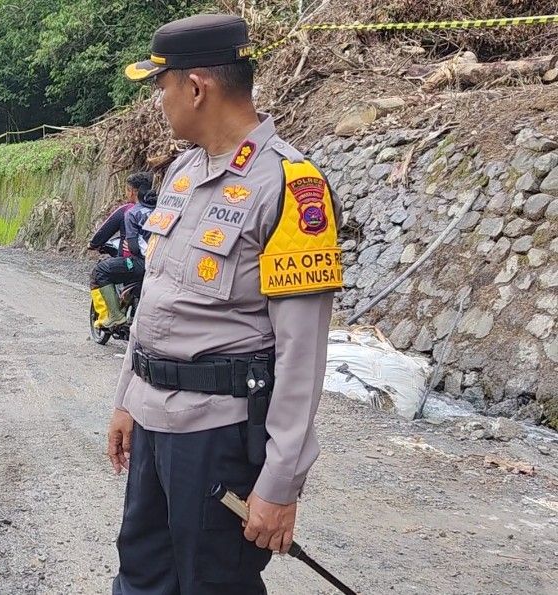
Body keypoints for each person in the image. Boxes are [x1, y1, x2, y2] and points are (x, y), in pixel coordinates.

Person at [108, 14, 343, 594]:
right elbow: (159, 296)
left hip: (218, 438)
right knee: (141, 576)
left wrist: (279, 482)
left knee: (213, 585)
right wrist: (126, 401)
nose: (159, 103)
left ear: (196, 88)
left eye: (162, 88)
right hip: (154, 423)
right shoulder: (185, 172)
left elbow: (302, 351)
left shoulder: (291, 186)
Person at [88, 172, 157, 329]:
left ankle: (114, 315)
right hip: (162, 262)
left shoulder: (129, 211)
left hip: (139, 262)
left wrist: (93, 244)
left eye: (127, 190)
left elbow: (104, 234)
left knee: (101, 270)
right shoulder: (162, 209)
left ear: (133, 191)